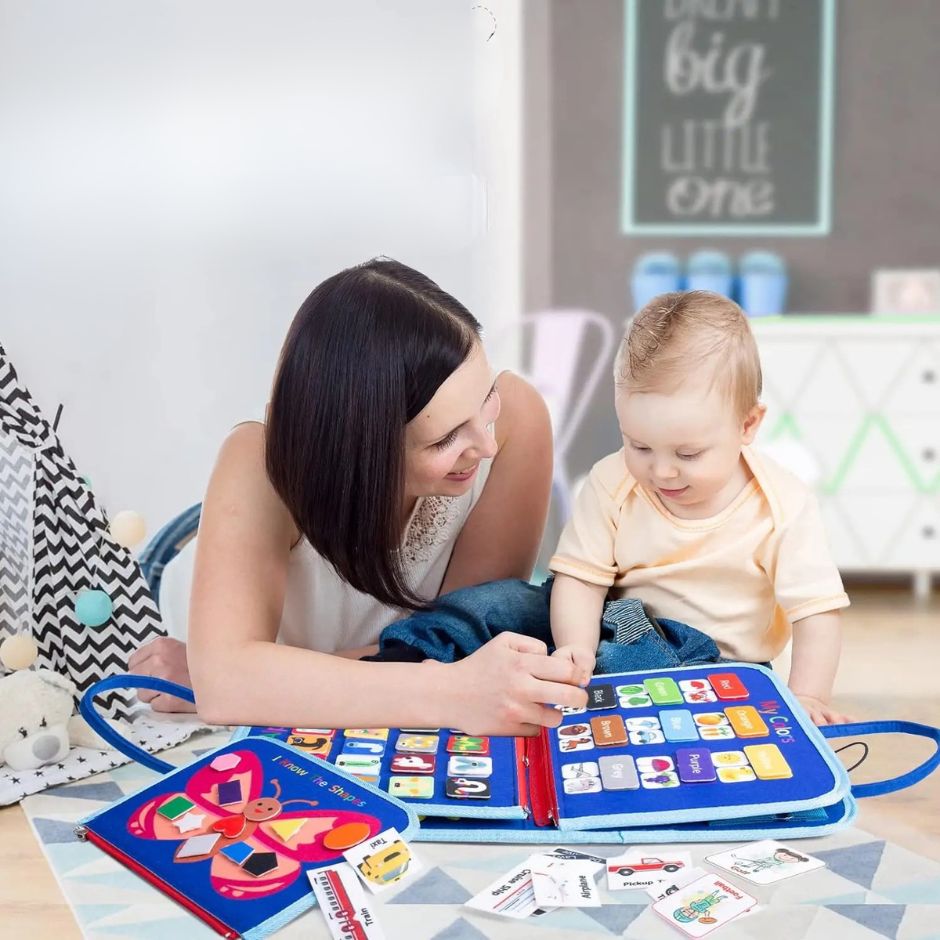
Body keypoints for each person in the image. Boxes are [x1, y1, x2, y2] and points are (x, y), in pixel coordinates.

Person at [128, 258, 587, 732]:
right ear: (359, 448)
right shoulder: (257, 461)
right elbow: (228, 686)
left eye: (484, 403)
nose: (485, 446)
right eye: (443, 439)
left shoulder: (516, 422)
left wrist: (265, 678)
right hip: (165, 657)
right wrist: (232, 677)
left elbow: (454, 639)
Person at [549, 290, 851, 725]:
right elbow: (579, 578)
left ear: (747, 425)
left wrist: (807, 696)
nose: (663, 471)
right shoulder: (612, 481)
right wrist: (574, 649)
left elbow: (817, 612)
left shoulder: (782, 505)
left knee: (642, 666)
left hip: (724, 670)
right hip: (625, 633)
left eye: (688, 454)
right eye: (640, 445)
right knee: (509, 605)